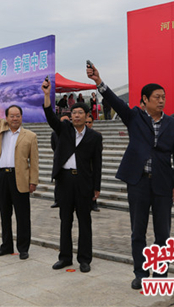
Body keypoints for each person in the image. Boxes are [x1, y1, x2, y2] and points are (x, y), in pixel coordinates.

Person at [86, 64, 174, 290]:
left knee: (163, 233)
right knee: (137, 231)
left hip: (163, 183)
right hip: (138, 182)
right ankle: (140, 273)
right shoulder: (134, 117)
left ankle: (160, 275)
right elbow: (116, 102)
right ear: (145, 99)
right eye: (157, 97)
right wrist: (98, 82)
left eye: (164, 97)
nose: (161, 101)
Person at [42, 79, 102, 273]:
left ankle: (84, 259)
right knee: (65, 220)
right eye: (74, 113)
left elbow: (98, 163)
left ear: (87, 116)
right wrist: (46, 96)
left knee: (84, 222)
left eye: (80, 113)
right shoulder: (64, 129)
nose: (76, 116)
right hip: (65, 181)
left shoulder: (94, 137)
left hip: (84, 182)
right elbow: (51, 118)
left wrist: (96, 187)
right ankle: (65, 257)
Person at [0, 81, 39, 260]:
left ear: (21, 117)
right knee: (5, 214)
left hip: (20, 178)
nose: (14, 118)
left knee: (22, 216)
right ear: (6, 117)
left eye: (17, 115)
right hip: (2, 176)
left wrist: (33, 181)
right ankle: (6, 246)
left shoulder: (30, 136)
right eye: (11, 116)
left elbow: (34, 161)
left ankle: (23, 248)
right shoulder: (0, 129)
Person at [50, 113, 71, 209]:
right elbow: (54, 146)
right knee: (58, 183)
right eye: (63, 121)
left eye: (67, 121)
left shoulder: (72, 133)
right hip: (59, 161)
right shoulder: (54, 133)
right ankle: (57, 200)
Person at [85, 115, 100, 212]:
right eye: (86, 122)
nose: (87, 124)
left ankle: (93, 203)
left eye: (89, 122)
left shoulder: (96, 136)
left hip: (91, 166)